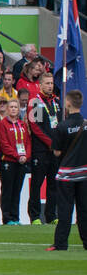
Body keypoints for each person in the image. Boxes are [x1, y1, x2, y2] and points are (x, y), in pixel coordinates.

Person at [48, 90, 87, 252]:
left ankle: (61, 243)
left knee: (65, 209)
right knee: (84, 209)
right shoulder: (85, 124)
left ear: (68, 103)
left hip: (66, 173)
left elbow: (56, 151)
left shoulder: (62, 126)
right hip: (84, 172)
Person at [27, 74, 62, 225]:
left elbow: (60, 124)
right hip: (41, 150)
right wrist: (50, 142)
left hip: (55, 151)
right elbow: (36, 128)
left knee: (53, 184)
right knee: (37, 183)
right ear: (40, 85)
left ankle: (51, 215)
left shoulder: (55, 102)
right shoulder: (36, 102)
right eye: (47, 83)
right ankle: (35, 216)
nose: (50, 86)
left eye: (52, 83)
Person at [0, 98, 31, 226]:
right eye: (11, 107)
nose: (14, 109)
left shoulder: (22, 124)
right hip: (8, 162)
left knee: (17, 190)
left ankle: (15, 217)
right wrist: (17, 155)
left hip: (21, 162)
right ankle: (7, 217)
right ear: (7, 109)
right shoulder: (2, 124)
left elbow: (27, 142)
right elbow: (4, 144)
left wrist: (26, 155)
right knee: (7, 191)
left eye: (16, 107)